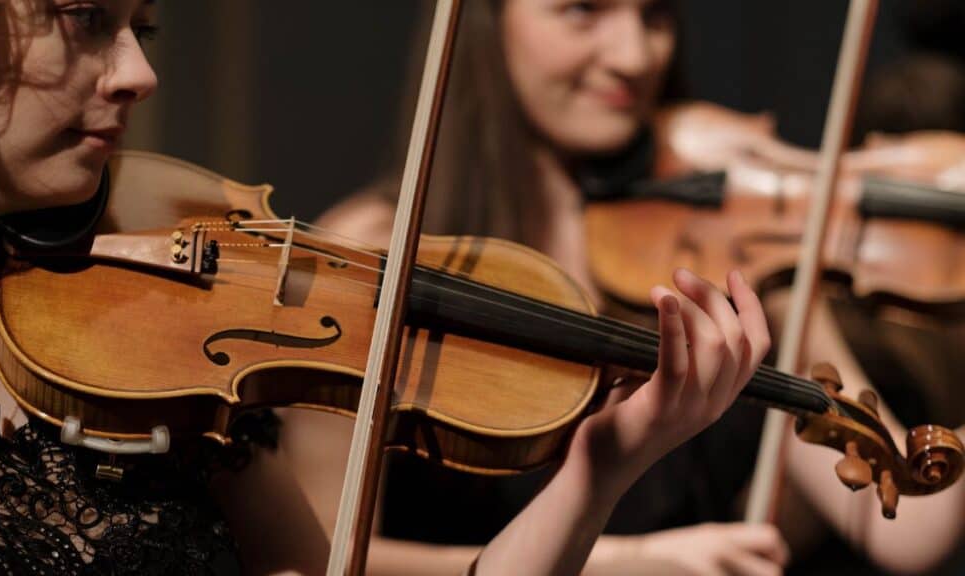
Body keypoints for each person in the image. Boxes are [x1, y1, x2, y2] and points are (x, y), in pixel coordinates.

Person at [0, 1, 772, 575]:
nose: (139, 73)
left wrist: (599, 473)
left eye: (144, 27)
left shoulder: (158, 342)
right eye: (86, 18)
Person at [296, 0, 965, 574]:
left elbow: (905, 528)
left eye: (654, 13)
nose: (636, 54)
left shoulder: (722, 236)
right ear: (483, 18)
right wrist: (616, 560)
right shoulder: (378, 249)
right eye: (584, 8)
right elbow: (316, 556)